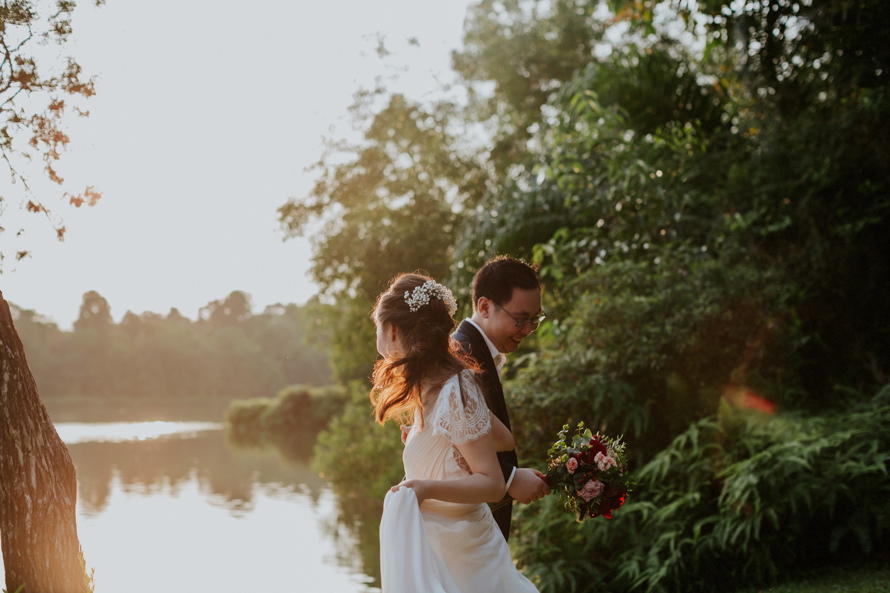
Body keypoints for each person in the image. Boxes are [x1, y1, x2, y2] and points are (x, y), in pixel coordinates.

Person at [374, 273, 539, 593]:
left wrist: (423, 487)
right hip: (442, 547)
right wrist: (442, 440)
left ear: (393, 329)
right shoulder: (432, 386)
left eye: (378, 328)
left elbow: (492, 484)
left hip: (465, 555)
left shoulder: (456, 389)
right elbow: (503, 439)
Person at [451, 255, 550, 541]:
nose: (530, 329)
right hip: (461, 530)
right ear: (484, 307)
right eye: (521, 319)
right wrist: (509, 478)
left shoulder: (484, 351)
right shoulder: (460, 355)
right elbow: (447, 439)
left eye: (535, 319)